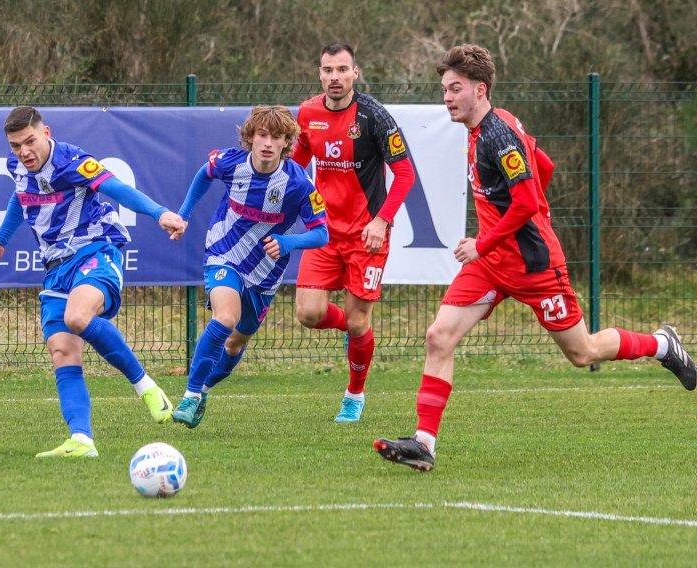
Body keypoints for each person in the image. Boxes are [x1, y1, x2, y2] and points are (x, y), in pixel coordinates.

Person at [374, 44, 697, 472]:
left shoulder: (498, 134)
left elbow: (525, 202)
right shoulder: (487, 126)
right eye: (444, 89)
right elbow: (543, 164)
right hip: (492, 267)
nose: (447, 97)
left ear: (480, 89)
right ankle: (424, 443)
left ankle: (662, 344)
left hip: (533, 266)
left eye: (455, 89)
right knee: (439, 337)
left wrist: (487, 241)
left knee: (582, 352)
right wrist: (497, 239)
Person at [0, 106, 186, 458]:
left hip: (95, 251)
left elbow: (117, 188)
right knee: (62, 351)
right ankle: (81, 440)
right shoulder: (16, 168)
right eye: (15, 146)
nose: (24, 152)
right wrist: (0, 240)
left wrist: (160, 213)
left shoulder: (73, 161)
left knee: (77, 316)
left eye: (29, 141)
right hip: (55, 268)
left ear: (46, 132)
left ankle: (146, 387)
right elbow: (20, 198)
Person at [166, 105, 329, 428]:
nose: (268, 143)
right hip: (223, 253)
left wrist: (288, 242)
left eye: (277, 137)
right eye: (262, 135)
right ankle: (191, 394)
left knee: (235, 343)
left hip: (265, 273)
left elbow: (322, 233)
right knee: (225, 317)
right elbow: (204, 174)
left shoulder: (298, 182)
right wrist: (183, 214)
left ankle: (205, 389)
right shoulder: (230, 162)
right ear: (250, 137)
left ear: (287, 143)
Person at [291, 41, 416, 422]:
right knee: (308, 314)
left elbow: (406, 174)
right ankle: (357, 333)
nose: (335, 77)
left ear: (355, 74)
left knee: (359, 321)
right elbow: (296, 166)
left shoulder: (375, 117)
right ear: (319, 74)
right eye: (328, 70)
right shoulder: (308, 113)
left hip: (367, 235)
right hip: (325, 232)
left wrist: (382, 220)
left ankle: (354, 395)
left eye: (342, 70)